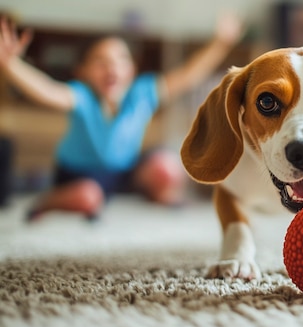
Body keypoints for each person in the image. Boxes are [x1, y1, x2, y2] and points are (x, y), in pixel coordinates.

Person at [0, 14, 243, 221]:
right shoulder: (81, 96)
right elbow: (47, 90)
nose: (112, 68)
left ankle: (158, 198)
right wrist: (10, 65)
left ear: (132, 69)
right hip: (79, 174)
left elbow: (188, 76)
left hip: (124, 171)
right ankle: (46, 201)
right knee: (88, 197)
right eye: (101, 61)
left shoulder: (142, 92)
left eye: (120, 60)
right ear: (81, 71)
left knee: (167, 168)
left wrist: (220, 43)